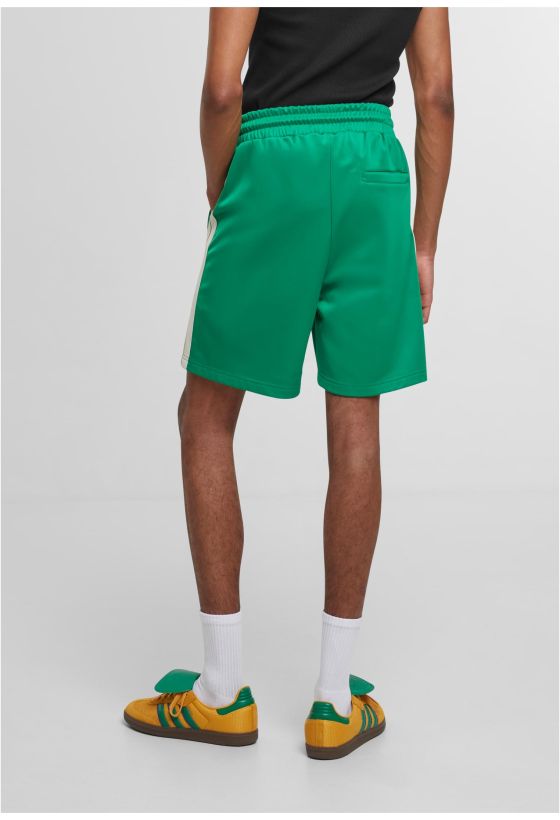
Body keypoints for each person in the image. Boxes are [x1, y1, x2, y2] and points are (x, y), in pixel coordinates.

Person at [124, 7, 453, 760]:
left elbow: (221, 91)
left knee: (206, 415)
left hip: (275, 161)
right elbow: (436, 96)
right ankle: (335, 701)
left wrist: (226, 195)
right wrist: (425, 243)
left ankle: (220, 693)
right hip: (372, 169)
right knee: (356, 422)